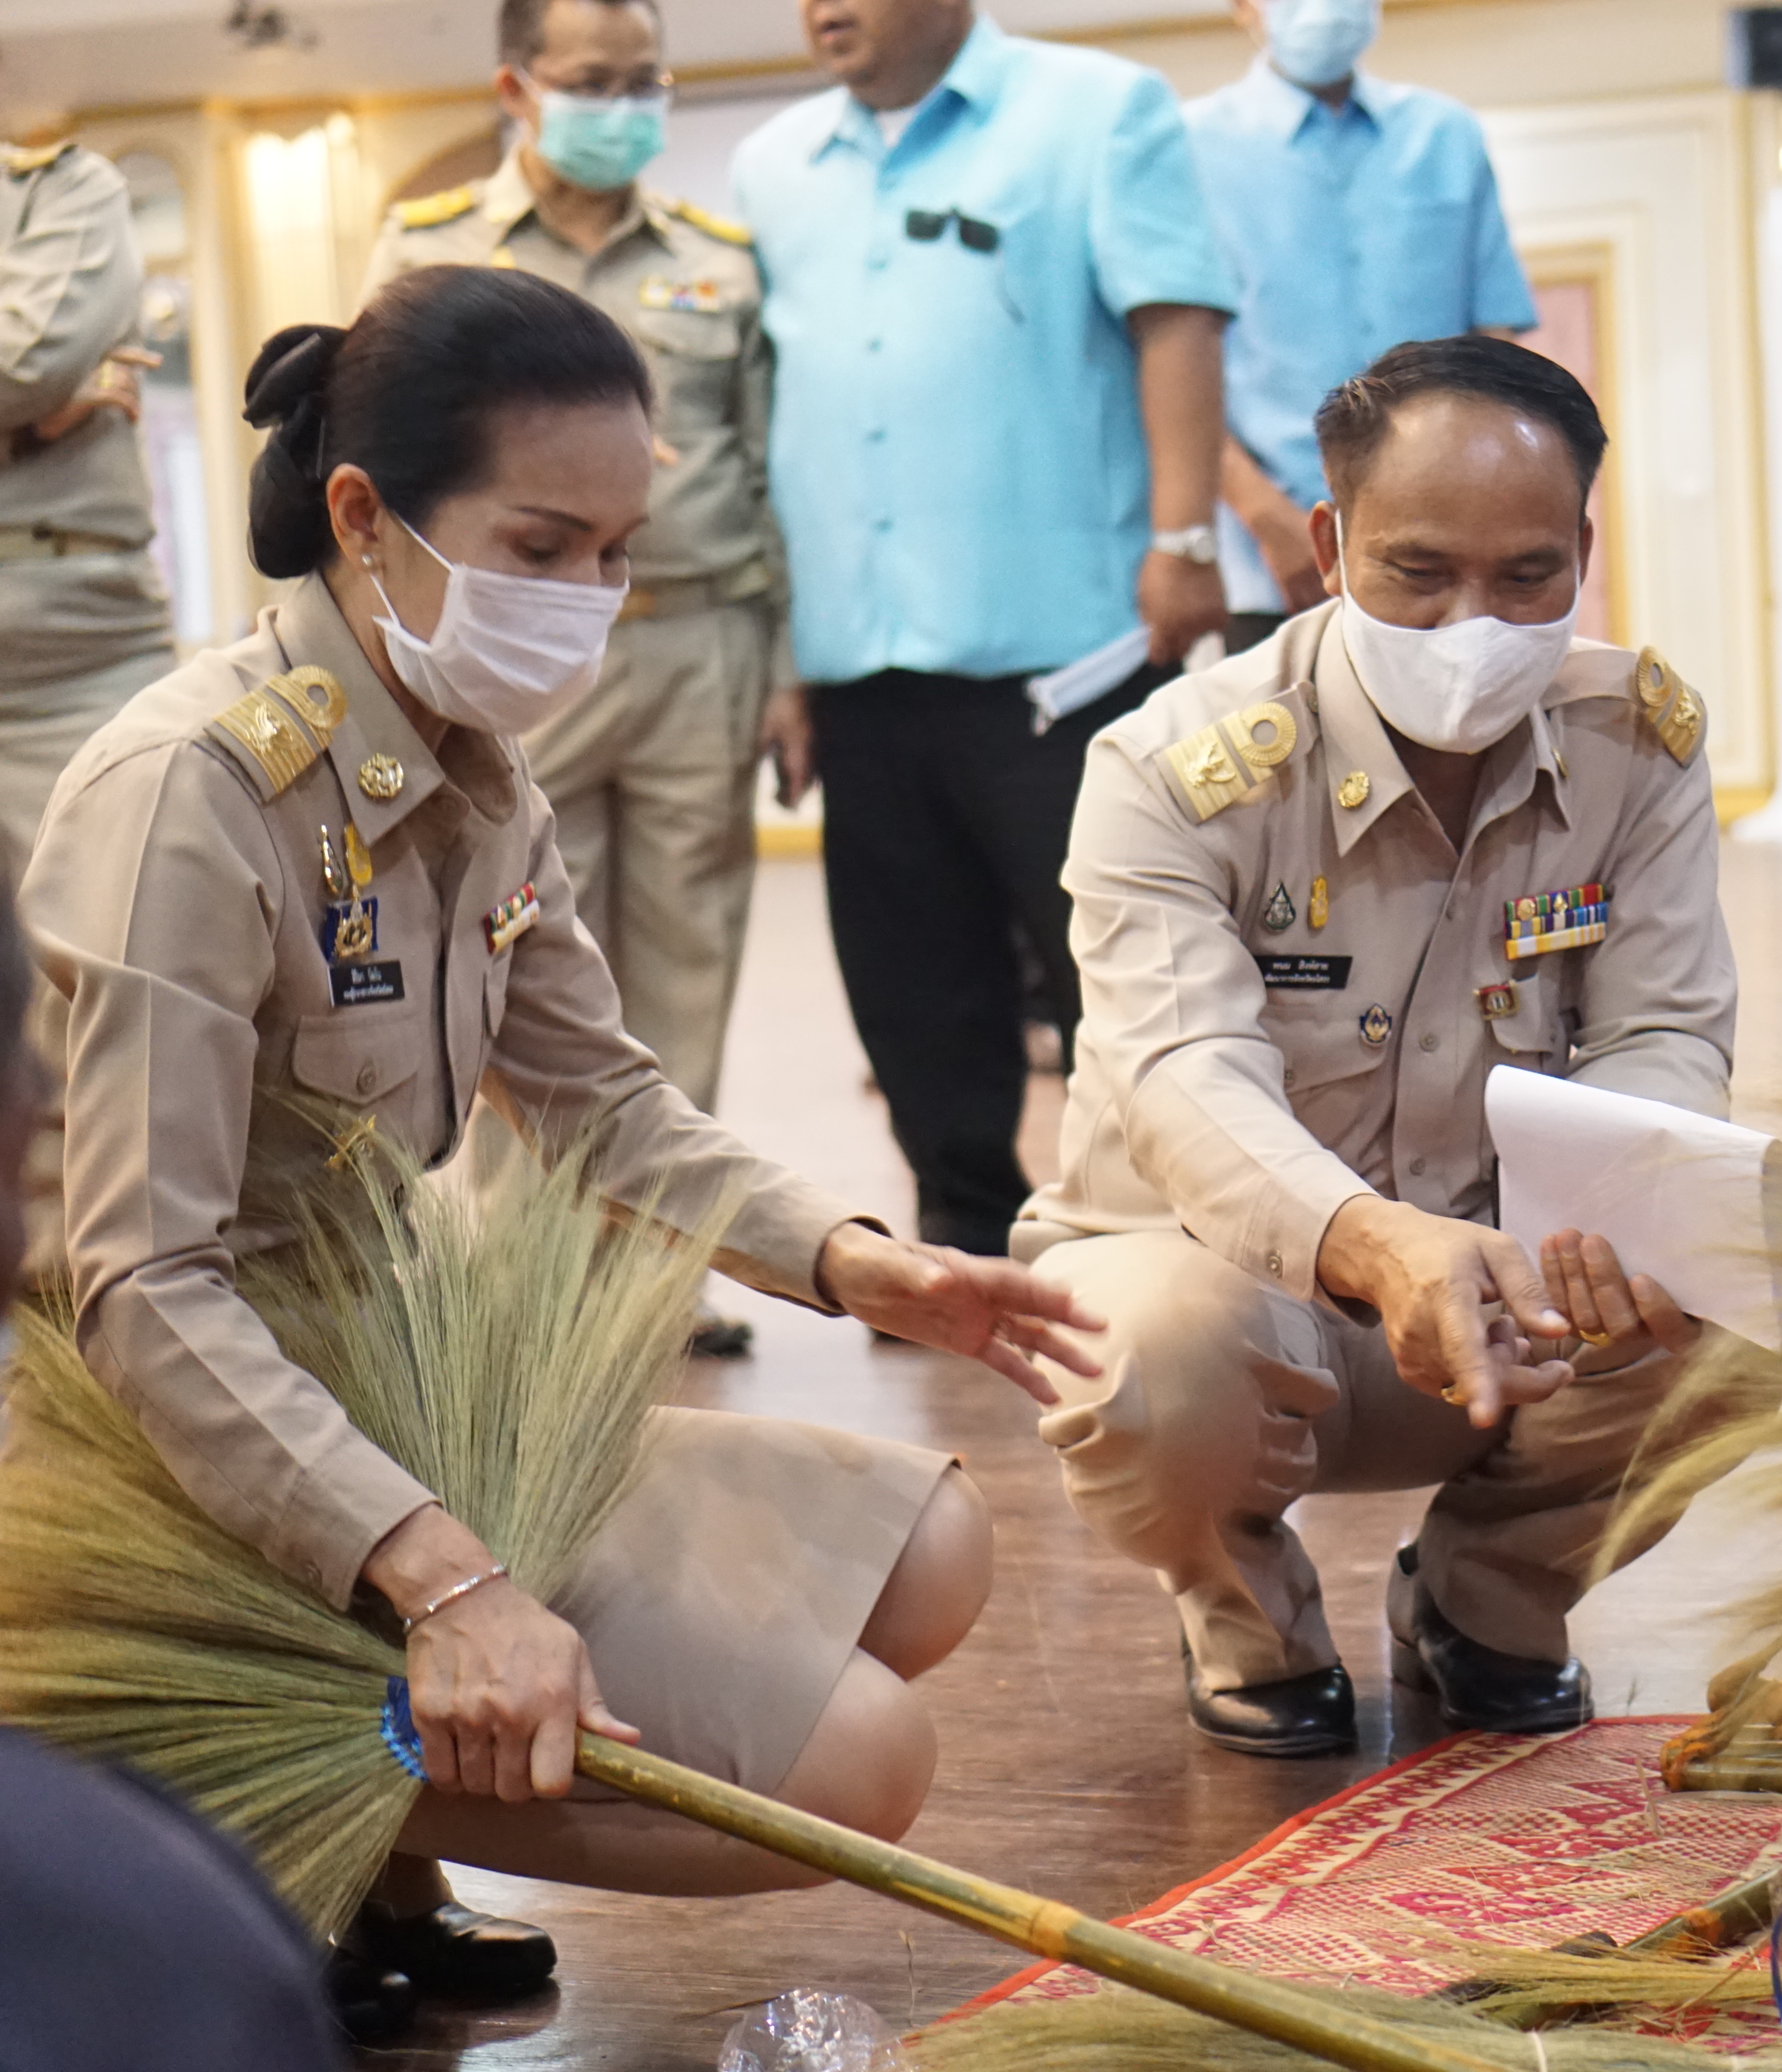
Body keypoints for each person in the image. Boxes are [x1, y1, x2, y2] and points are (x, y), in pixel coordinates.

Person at [18, 269, 1100, 2036]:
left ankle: (373, 1833)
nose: (591, 603)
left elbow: (601, 1102)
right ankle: (215, 1807)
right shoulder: (194, 798)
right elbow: (138, 1288)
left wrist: (854, 1260)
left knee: (936, 1554)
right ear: (364, 518)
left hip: (388, 1398)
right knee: (860, 1768)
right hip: (182, 1456)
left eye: (616, 553)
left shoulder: (476, 772)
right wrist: (451, 1583)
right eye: (543, 544)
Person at [1015, 338, 1756, 1758]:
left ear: (1584, 549)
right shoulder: (1175, 769)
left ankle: (1491, 1604)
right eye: (1419, 573)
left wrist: (1620, 1216)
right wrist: (1375, 1246)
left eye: (1527, 576)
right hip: (1239, 1294)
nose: (1474, 622)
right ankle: (1248, 1620)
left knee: (1731, 1288)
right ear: (1329, 541)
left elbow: (1663, 1027)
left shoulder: (1635, 743)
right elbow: (1183, 1082)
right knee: (1152, 1356)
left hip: (1508, 1299)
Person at [732, 0, 1237, 1260]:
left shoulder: (1098, 112)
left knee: (1112, 975)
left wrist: (1184, 539)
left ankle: (1159, 1233)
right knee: (911, 982)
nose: (819, 9)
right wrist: (786, 656)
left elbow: (1175, 320)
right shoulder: (772, 166)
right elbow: (767, 413)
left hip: (1063, 655)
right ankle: (964, 1232)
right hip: (862, 651)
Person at [366, 0, 792, 1357]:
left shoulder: (721, 263)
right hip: (517, 639)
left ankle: (659, 1274)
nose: (624, 103)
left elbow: (775, 471)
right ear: (518, 86)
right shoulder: (434, 249)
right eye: (593, 80)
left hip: (696, 638)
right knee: (514, 954)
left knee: (684, 955)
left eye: (644, 80)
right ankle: (525, 1287)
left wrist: (786, 665)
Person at [0, 886, 346, 2067]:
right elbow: (147, 1288)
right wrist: (444, 1579)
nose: (54, 1102)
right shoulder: (168, 1963)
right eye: (27, 1064)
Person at [1185, 0, 1537, 653]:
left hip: (1447, 554)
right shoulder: (1186, 148)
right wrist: (1269, 520)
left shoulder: (1445, 137)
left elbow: (1497, 353)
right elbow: (1176, 368)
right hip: (1270, 564)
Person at [0, 140, 176, 889]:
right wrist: (24, 426)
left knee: (117, 932)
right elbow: (33, 382)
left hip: (79, 647)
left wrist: (37, 388)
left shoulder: (60, 188)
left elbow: (29, 361)